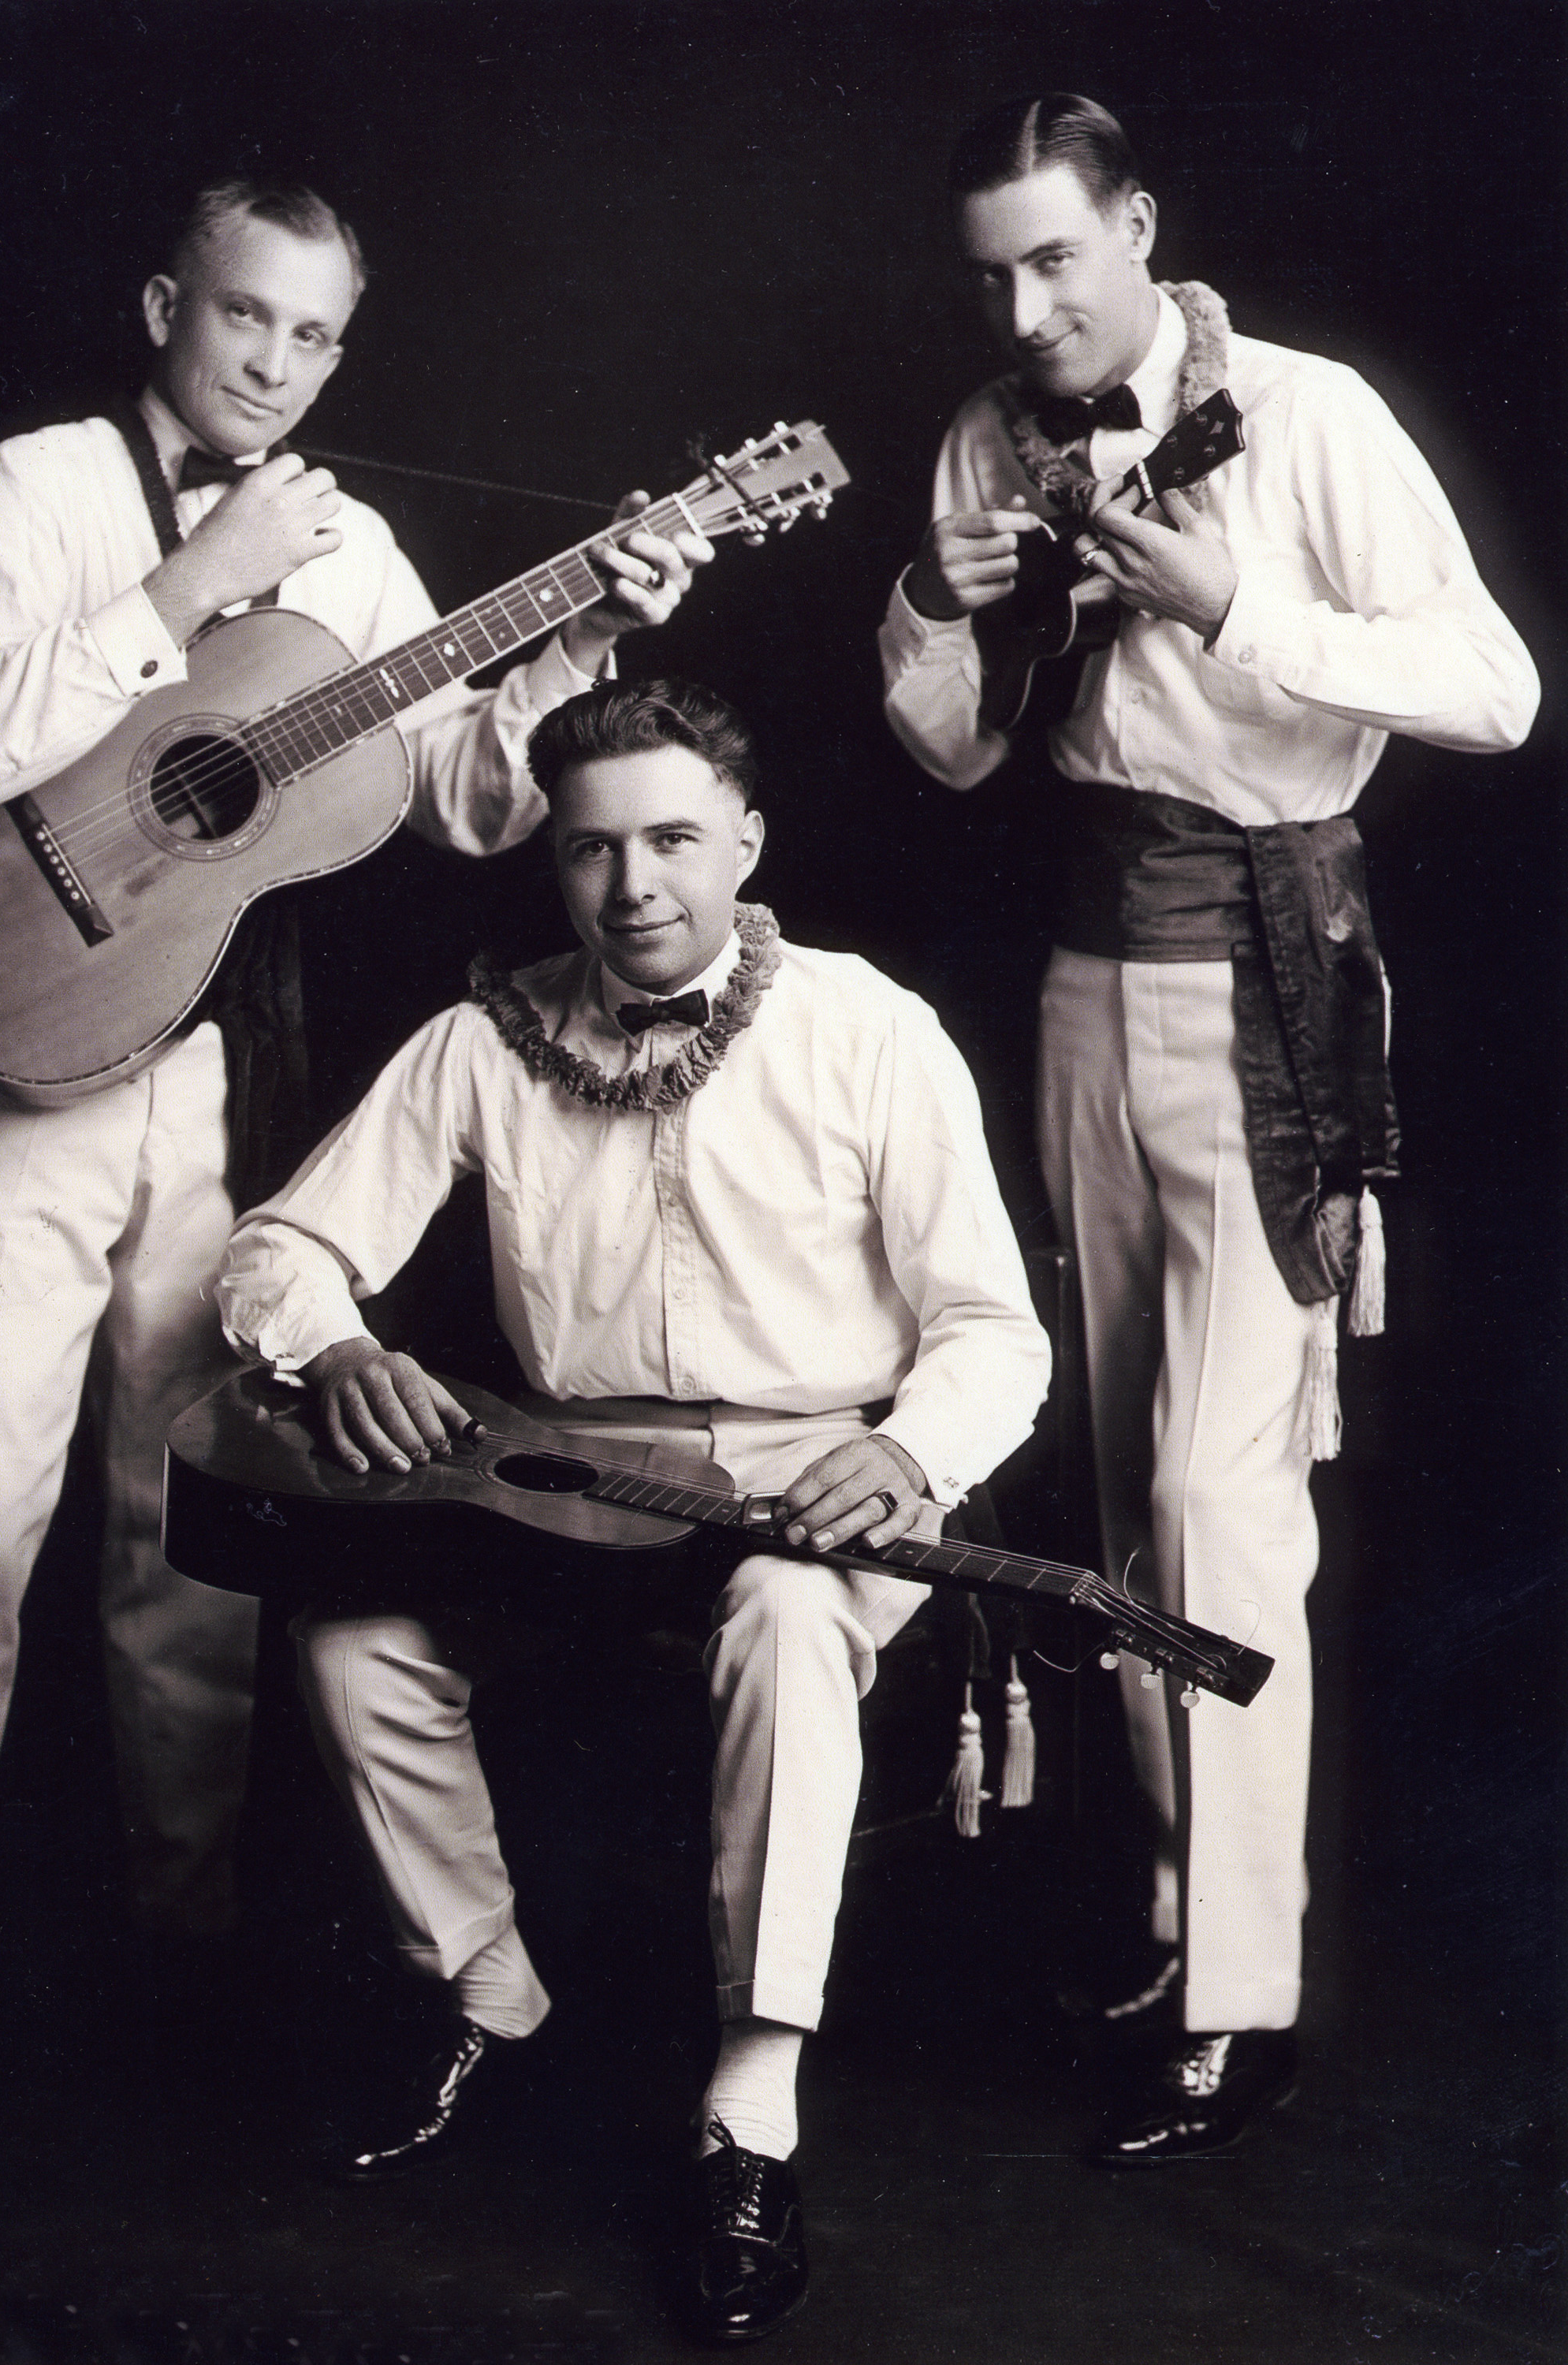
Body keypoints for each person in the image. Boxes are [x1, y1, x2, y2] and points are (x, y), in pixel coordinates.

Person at [0, 176, 711, 2114]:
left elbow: (470, 798)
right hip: (12, 1042)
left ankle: (184, 1934)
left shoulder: (356, 548)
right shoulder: (40, 483)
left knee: (187, 1525)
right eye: (249, 318)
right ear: (168, 301)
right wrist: (182, 583)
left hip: (205, 1058)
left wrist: (578, 638)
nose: (280, 364)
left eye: (317, 336)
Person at [215, 677, 1051, 2341]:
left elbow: (992, 1328)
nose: (636, 887)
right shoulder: (485, 1038)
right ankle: (488, 1985)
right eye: (593, 851)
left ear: (746, 837)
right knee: (351, 1636)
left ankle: (751, 2112)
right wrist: (337, 1342)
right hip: (569, 1482)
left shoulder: (865, 1027)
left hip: (812, 1472)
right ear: (554, 863)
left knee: (795, 1622)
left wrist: (904, 1458)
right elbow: (275, 1252)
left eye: (674, 838)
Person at [878, 93, 1538, 2163]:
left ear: (1139, 228)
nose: (1027, 304)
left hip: (1267, 979)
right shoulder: (987, 437)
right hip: (1085, 978)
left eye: (1059, 259)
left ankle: (1245, 1999)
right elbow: (963, 758)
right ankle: (1181, 1914)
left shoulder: (1312, 414)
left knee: (1224, 1501)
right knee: (1111, 1489)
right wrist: (932, 591)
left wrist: (1238, 604)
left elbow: (1495, 690)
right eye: (993, 270)